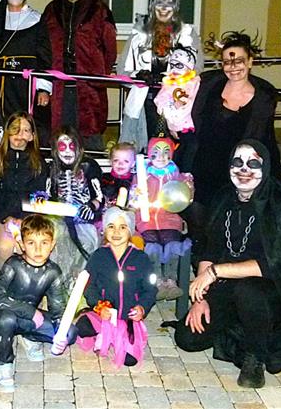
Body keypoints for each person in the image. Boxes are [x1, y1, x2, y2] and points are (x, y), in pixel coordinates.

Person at [174, 140, 281, 389]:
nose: (244, 169)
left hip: (269, 293)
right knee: (187, 338)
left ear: (265, 167)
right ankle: (237, 331)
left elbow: (274, 264)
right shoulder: (225, 196)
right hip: (225, 285)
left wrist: (214, 273)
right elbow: (210, 248)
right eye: (238, 162)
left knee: (248, 291)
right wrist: (200, 298)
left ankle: (254, 358)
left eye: (253, 163)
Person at [0, 214, 75, 392]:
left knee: (71, 333)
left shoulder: (52, 272)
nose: (38, 249)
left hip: (28, 318)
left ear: (52, 245)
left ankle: (30, 337)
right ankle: (3, 365)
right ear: (22, 244)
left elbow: (58, 309)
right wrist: (30, 311)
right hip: (1, 314)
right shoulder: (14, 264)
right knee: (7, 320)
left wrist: (60, 333)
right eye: (31, 242)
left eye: (44, 242)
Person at [190, 32, 281, 205]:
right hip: (207, 169)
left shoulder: (264, 97)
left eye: (239, 61)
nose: (233, 67)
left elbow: (263, 138)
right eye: (227, 62)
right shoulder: (207, 87)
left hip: (242, 171)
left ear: (250, 62)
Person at [41, 0, 117, 150]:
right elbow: (41, 48)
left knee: (89, 141)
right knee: (59, 139)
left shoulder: (99, 10)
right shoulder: (52, 11)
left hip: (89, 87)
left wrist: (99, 74)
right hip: (58, 87)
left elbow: (110, 49)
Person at [118, 0, 203, 153]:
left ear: (176, 7)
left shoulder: (187, 34)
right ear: (152, 6)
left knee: (175, 152)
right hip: (145, 103)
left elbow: (197, 68)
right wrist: (138, 75)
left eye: (169, 3)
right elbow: (122, 71)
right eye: (159, 3)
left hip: (177, 104)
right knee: (144, 152)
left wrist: (171, 78)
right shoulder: (138, 34)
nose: (164, 8)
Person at [75, 207, 156, 368]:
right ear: (104, 230)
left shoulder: (141, 259)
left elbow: (150, 290)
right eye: (111, 226)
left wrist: (142, 308)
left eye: (123, 227)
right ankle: (101, 334)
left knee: (130, 360)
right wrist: (99, 305)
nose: (116, 231)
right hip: (105, 314)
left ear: (130, 231)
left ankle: (119, 337)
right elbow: (89, 286)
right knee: (81, 327)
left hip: (128, 317)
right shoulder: (99, 256)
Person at [0, 0, 52, 142]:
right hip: (1, 83)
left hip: (26, 84)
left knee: (28, 123)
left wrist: (43, 88)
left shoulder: (36, 19)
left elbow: (44, 55)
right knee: (2, 122)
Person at [42, 126, 103, 286]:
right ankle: (58, 284)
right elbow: (47, 195)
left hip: (84, 219)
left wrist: (91, 206)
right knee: (58, 240)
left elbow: (99, 196)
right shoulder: (52, 168)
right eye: (62, 147)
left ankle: (79, 284)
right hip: (60, 219)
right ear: (55, 149)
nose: (68, 151)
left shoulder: (89, 166)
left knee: (87, 243)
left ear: (79, 147)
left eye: (72, 146)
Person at [0, 113, 48, 269]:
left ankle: (32, 288)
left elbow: (38, 195)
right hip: (3, 217)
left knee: (30, 246)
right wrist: (6, 217)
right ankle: (8, 287)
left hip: (29, 217)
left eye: (26, 130)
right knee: (5, 247)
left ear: (32, 136)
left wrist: (24, 218)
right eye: (16, 129)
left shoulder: (38, 163)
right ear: (8, 132)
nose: (20, 135)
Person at [137, 138, 194, 301]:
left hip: (170, 220)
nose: (161, 156)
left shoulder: (177, 177)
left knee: (172, 245)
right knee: (152, 247)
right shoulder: (142, 176)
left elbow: (186, 198)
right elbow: (133, 199)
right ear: (149, 155)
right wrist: (136, 194)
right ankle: (157, 282)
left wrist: (188, 186)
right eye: (156, 152)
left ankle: (171, 280)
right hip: (146, 221)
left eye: (166, 152)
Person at [100, 142, 136, 211]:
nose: (120, 164)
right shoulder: (104, 179)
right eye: (116, 160)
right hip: (106, 214)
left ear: (133, 163)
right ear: (111, 162)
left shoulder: (134, 180)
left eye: (126, 161)